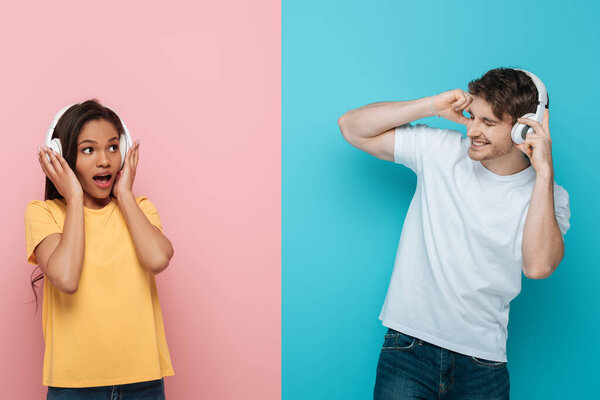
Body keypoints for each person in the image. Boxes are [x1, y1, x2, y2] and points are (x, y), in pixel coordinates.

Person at [338, 68, 570, 400]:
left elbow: (539, 266)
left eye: (488, 123)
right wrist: (431, 105)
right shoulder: (441, 150)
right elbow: (351, 127)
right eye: (472, 116)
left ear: (523, 127)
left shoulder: (549, 197)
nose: (473, 129)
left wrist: (544, 173)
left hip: (483, 366)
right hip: (408, 348)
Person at [25, 100, 175, 399]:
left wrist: (126, 195)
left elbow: (158, 258)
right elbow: (67, 279)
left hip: (142, 382)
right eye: (89, 150)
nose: (104, 160)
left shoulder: (140, 209)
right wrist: (75, 198)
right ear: (62, 157)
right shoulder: (44, 213)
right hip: (74, 386)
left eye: (112, 147)